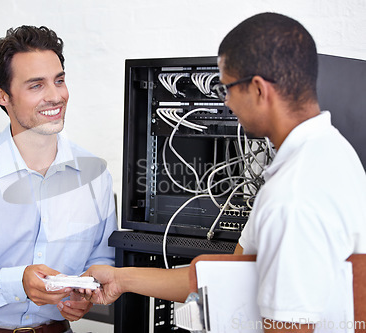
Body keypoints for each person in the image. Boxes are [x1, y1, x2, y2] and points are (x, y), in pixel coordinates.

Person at [84, 12, 366, 332]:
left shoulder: (294, 192)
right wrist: (122, 279)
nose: (228, 104)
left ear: (258, 89)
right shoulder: (335, 152)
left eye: (227, 88)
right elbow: (235, 273)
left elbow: (289, 325)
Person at [0, 25, 117, 333]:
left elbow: (102, 258)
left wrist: (85, 294)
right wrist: (16, 283)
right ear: (2, 95)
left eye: (59, 80)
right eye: (36, 85)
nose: (55, 96)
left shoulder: (96, 177)